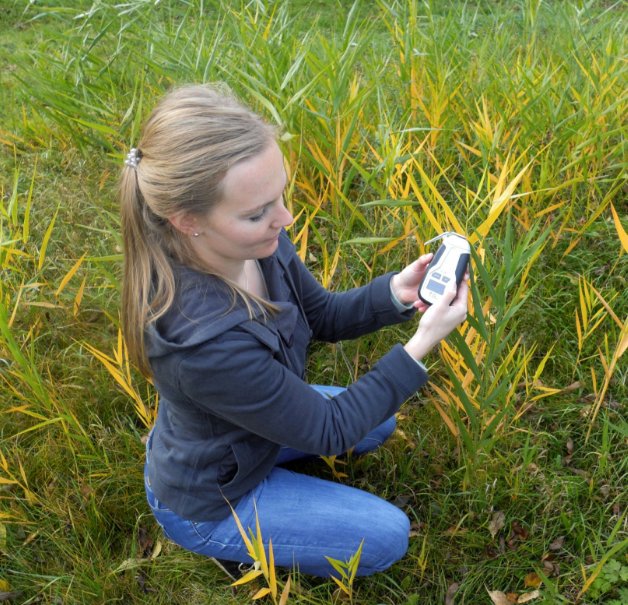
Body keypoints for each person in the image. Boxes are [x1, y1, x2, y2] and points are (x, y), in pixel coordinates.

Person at [119, 83, 469, 580]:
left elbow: (321, 314)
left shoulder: (255, 244)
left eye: (279, 195)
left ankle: (279, 480)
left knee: (377, 423)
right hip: (214, 494)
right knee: (388, 535)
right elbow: (330, 432)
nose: (284, 218)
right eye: (257, 212)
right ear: (187, 220)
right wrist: (421, 345)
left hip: (241, 435)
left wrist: (397, 292)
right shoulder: (200, 341)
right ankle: (228, 543)